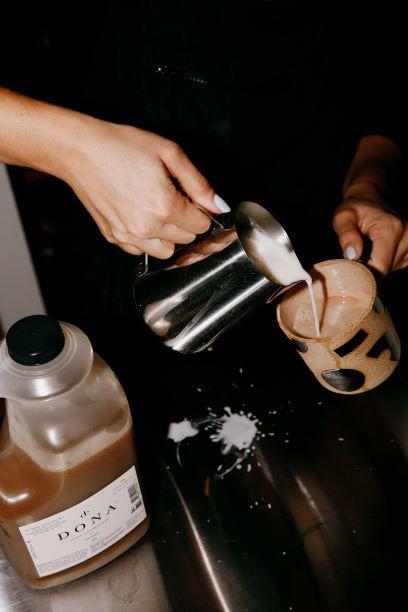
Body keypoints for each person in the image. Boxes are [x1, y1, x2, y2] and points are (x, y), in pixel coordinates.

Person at [0, 2, 406, 277]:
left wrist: (368, 184)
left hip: (319, 244)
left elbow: (376, 82)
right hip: (130, 264)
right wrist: (72, 150)